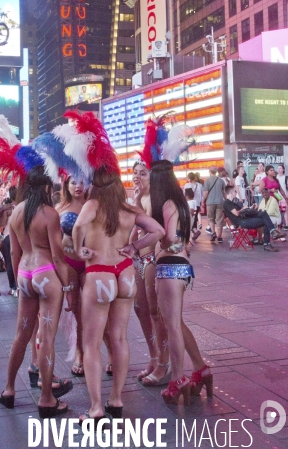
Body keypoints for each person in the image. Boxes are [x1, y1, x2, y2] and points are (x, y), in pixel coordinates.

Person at [74, 167, 165, 424]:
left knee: (91, 343)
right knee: (119, 338)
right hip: (124, 273)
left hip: (99, 273)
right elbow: (157, 231)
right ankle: (116, 400)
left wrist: (80, 248)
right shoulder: (129, 210)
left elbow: (79, 225)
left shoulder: (92, 205)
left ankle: (95, 409)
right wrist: (133, 246)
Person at [0, 163, 74, 416]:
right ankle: (46, 398)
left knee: (21, 334)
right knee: (46, 339)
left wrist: (18, 279)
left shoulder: (17, 212)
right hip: (46, 275)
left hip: (24, 274)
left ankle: (8, 389)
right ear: (45, 187)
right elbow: (58, 257)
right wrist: (69, 286)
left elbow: (12, 252)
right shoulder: (49, 214)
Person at [144, 160, 212, 405]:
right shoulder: (180, 202)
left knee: (171, 325)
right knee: (176, 323)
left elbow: (170, 237)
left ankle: (178, 379)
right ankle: (200, 369)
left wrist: (155, 244)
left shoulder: (168, 204)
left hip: (171, 266)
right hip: (180, 267)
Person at [131, 161, 170, 386]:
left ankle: (164, 362)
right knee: (140, 309)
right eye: (135, 173)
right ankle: (154, 357)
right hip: (138, 259)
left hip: (153, 259)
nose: (138, 177)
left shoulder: (157, 199)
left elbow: (157, 231)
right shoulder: (137, 199)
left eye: (143, 174)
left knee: (156, 312)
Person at [56, 177, 87, 377]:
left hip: (91, 263)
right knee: (76, 309)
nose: (78, 186)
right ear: (66, 185)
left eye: (82, 182)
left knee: (98, 309)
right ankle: (79, 352)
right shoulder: (59, 208)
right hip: (69, 262)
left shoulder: (94, 205)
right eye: (73, 182)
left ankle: (111, 353)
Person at [223, 185, 284, 252]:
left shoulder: (232, 202)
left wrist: (250, 208)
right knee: (265, 220)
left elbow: (242, 212)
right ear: (231, 192)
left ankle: (270, 237)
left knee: (264, 214)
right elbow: (236, 213)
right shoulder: (227, 203)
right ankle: (269, 240)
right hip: (242, 222)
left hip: (245, 219)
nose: (236, 192)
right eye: (235, 191)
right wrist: (243, 208)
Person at [0, 186, 17, 296]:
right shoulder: (26, 206)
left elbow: (0, 223)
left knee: (10, 262)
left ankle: (13, 287)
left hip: (9, 237)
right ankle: (20, 285)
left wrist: (2, 210)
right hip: (23, 237)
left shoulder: (8, 209)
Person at [201, 165, 226, 243]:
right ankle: (220, 237)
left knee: (211, 219)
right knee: (219, 220)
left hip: (210, 202)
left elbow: (206, 192)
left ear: (209, 172)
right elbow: (223, 192)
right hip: (219, 201)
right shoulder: (221, 180)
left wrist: (202, 201)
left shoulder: (207, 180)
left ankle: (213, 233)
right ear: (216, 172)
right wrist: (226, 200)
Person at [184, 172, 202, 239]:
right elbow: (201, 195)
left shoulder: (187, 185)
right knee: (194, 218)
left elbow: (186, 194)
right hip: (197, 203)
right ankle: (194, 231)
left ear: (189, 178)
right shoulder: (199, 185)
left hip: (190, 203)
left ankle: (194, 231)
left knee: (189, 218)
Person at [276, 164, 288, 230]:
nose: (279, 169)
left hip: (283, 196)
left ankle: (286, 224)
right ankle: (279, 224)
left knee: (285, 210)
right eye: (278, 168)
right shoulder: (275, 177)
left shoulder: (285, 177)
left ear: (283, 169)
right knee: (277, 210)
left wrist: (286, 196)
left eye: (280, 168)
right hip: (277, 196)